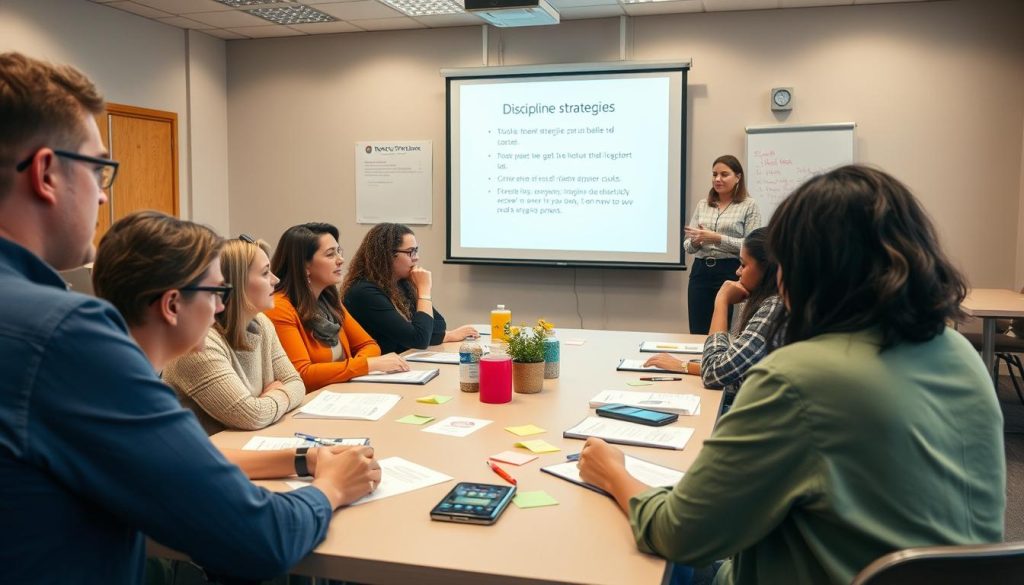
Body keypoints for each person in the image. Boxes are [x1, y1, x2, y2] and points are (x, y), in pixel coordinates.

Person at [0, 52, 380, 584]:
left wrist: (302, 461)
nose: (105, 194)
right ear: (45, 173)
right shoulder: (62, 332)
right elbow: (258, 539)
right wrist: (331, 490)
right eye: (98, 169)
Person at [578, 165, 1005, 585]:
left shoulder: (797, 379)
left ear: (803, 267)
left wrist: (612, 471)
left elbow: (679, 535)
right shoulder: (960, 356)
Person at [163, 236, 306, 434]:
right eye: (265, 273)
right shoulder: (199, 345)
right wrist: (279, 395)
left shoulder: (262, 323)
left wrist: (269, 401)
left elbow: (297, 383)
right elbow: (252, 416)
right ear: (236, 285)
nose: (276, 280)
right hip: (205, 457)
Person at [644, 228, 784, 403]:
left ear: (767, 269)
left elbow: (713, 374)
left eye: (743, 264)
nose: (738, 272)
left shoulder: (774, 307)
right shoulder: (774, 302)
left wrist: (721, 300)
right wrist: (686, 366)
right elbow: (735, 370)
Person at [266, 222, 407, 391]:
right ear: (305, 265)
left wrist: (360, 366)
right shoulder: (280, 308)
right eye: (330, 254)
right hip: (310, 403)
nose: (341, 260)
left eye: (339, 252)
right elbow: (302, 374)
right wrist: (367, 365)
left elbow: (369, 345)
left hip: (341, 394)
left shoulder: (329, 301)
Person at [342, 223, 478, 354]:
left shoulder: (401, 284)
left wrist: (446, 335)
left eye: (416, 251)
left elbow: (438, 327)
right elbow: (419, 339)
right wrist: (424, 291)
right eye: (410, 252)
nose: (416, 258)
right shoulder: (364, 292)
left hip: (401, 365)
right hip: (376, 372)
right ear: (387, 255)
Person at [684, 155, 761, 334]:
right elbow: (687, 246)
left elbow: (752, 245)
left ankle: (722, 362)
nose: (717, 179)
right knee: (698, 329)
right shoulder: (703, 205)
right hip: (701, 271)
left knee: (727, 330)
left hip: (732, 271)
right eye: (714, 174)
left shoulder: (749, 205)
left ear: (738, 177)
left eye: (724, 174)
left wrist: (717, 238)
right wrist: (696, 241)